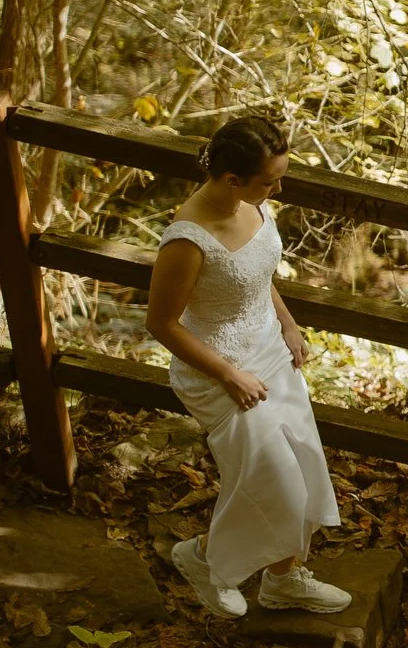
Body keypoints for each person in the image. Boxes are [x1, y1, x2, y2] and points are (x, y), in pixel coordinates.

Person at [145, 114, 351, 619]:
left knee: (299, 465)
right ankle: (204, 558)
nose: (278, 189)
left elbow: (256, 276)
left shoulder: (252, 203)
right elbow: (162, 324)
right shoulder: (187, 240)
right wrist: (228, 374)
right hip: (219, 369)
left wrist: (288, 323)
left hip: (269, 349)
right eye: (269, 181)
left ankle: (282, 580)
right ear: (232, 178)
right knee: (270, 480)